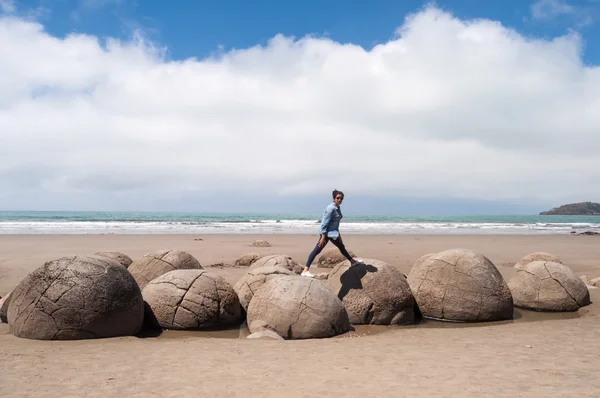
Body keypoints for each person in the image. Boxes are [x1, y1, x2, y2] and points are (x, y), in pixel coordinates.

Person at [301, 189, 363, 278]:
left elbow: (335, 223)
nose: (340, 200)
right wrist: (323, 237)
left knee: (342, 247)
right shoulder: (331, 208)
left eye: (341, 198)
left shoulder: (337, 207)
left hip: (333, 233)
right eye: (338, 198)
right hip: (326, 234)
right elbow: (324, 223)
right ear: (334, 198)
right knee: (317, 250)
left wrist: (339, 235)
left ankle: (352, 262)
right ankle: (305, 270)